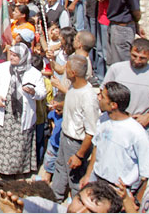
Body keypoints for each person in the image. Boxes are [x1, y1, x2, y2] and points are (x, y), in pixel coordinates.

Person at [80, 82, 149, 193]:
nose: (98, 97)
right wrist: (88, 175)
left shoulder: (136, 133)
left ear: (113, 105)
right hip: (96, 179)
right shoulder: (103, 119)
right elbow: (97, 147)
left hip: (117, 189)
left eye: (102, 96)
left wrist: (136, 202)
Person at [0, 44, 46, 176]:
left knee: (18, 145)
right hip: (4, 112)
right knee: (1, 142)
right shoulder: (3, 68)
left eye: (15, 55)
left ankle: (15, 171)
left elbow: (42, 93)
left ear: (23, 57)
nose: (11, 57)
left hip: (21, 116)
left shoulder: (34, 73)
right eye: (11, 54)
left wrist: (33, 92)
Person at [50, 55, 100, 202]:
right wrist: (60, 106)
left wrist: (79, 155)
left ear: (72, 73)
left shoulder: (89, 97)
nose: (65, 69)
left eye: (67, 68)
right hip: (65, 137)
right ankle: (55, 200)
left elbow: (91, 132)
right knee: (60, 169)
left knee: (75, 178)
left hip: (76, 144)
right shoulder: (73, 87)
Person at [102, 38, 149, 139]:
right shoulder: (116, 69)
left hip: (142, 126)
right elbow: (103, 93)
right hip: (115, 122)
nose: (137, 60)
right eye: (134, 56)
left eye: (142, 58)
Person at [0, 180, 122, 213]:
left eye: (92, 212)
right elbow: (6, 205)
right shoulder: (45, 208)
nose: (79, 212)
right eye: (80, 201)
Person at [42, 92, 65, 184]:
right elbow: (50, 116)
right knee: (49, 159)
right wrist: (53, 126)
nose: (56, 112)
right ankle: (47, 176)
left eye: (59, 110)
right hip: (53, 142)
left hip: (61, 145)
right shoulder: (54, 113)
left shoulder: (67, 117)